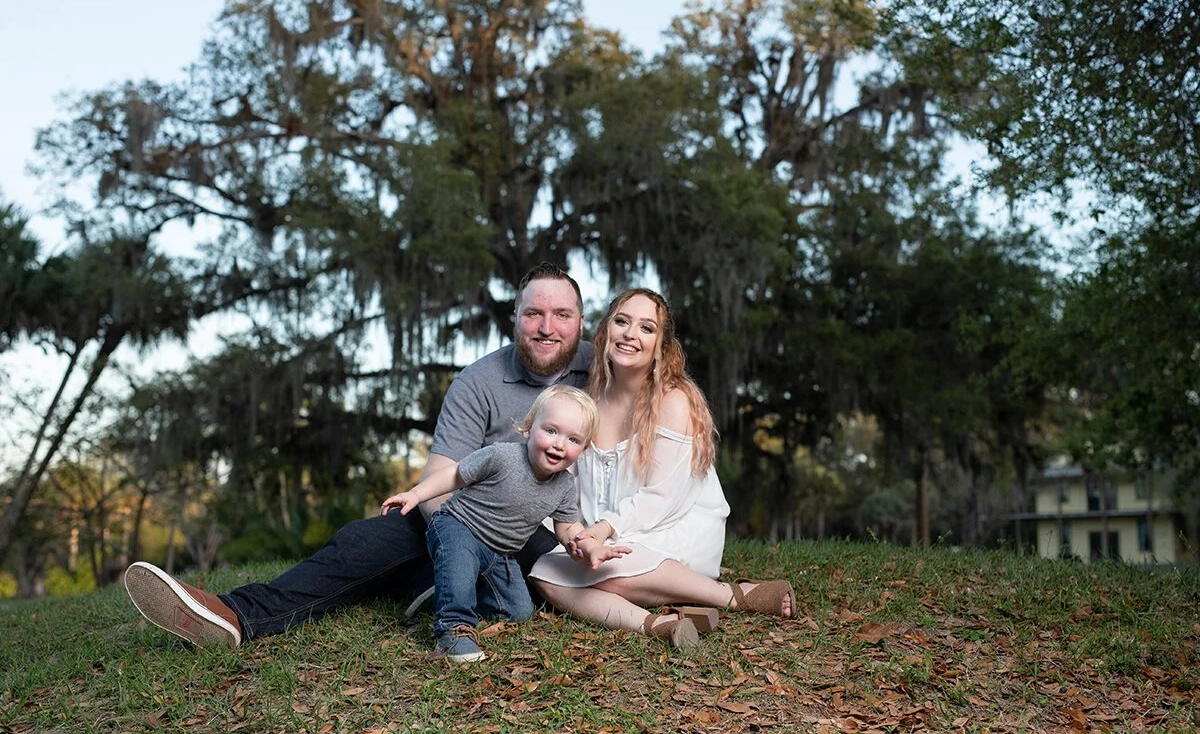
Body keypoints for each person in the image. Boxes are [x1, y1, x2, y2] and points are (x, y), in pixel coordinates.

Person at [123, 263, 593, 647]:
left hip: (541, 527)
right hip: (465, 516)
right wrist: (460, 545)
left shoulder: (602, 367)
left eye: (562, 315)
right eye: (534, 313)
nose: (547, 327)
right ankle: (233, 616)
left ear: (581, 320)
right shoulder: (479, 381)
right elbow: (440, 479)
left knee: (482, 575)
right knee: (365, 543)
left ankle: (427, 582)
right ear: (514, 316)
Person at [530, 288, 795, 652]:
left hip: (669, 528)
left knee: (608, 574)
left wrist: (602, 531)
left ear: (661, 345)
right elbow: (569, 485)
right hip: (605, 538)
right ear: (606, 332)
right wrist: (578, 536)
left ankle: (731, 595)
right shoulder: (587, 402)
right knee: (545, 574)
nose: (630, 334)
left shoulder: (674, 400)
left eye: (646, 328)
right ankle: (658, 624)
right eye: (622, 322)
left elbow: (661, 499)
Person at [379, 385, 627, 662]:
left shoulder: (564, 486)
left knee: (517, 611)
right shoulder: (501, 456)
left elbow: (568, 528)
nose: (559, 444)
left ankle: (449, 588)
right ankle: (454, 630)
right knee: (460, 558)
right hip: (458, 525)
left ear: (582, 450)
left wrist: (589, 547)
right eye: (551, 431)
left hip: (499, 552)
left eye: (573, 439)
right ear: (528, 429)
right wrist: (415, 494)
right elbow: (454, 476)